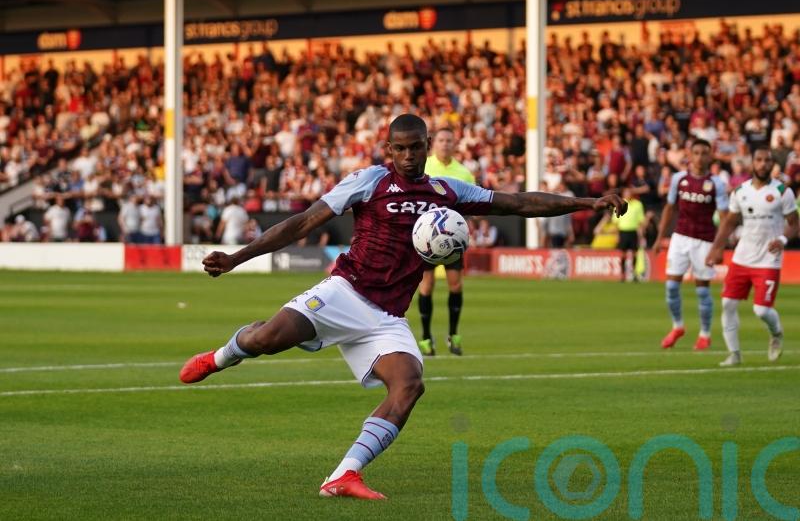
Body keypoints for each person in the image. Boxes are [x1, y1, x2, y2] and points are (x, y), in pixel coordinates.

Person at [179, 114, 626, 501]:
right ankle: (220, 357)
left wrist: (587, 202)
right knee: (265, 339)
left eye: (416, 147)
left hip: (387, 318)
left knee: (410, 385)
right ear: (389, 149)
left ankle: (343, 475)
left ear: (428, 147)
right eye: (401, 149)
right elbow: (304, 222)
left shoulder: (447, 191)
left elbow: (517, 203)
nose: (409, 156)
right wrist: (237, 258)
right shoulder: (369, 181)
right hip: (344, 293)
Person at [705, 147, 799, 366]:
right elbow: (729, 222)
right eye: (759, 160)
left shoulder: (782, 191)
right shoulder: (740, 191)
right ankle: (734, 354)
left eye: (767, 160)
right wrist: (716, 248)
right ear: (752, 163)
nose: (763, 164)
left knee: (762, 310)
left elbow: (795, 223)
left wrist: (782, 240)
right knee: (728, 304)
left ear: (772, 164)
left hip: (769, 258)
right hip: (742, 257)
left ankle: (776, 333)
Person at [653, 139, 729, 350]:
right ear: (690, 155)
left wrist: (719, 247)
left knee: (702, 291)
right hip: (680, 237)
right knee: (671, 287)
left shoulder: (716, 183)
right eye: (696, 153)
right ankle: (677, 326)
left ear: (710, 156)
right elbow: (669, 208)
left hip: (704, 240)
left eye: (704, 153)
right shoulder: (679, 179)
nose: (700, 157)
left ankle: (705, 334)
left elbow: (724, 218)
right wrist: (659, 238)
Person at [417, 128, 476, 357]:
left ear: (454, 143)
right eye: (441, 140)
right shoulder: (424, 167)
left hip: (452, 238)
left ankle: (453, 335)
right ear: (433, 143)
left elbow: (472, 202)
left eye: (449, 140)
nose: (445, 144)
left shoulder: (463, 173)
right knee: (426, 286)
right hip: (426, 237)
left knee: (456, 285)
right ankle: (425, 337)